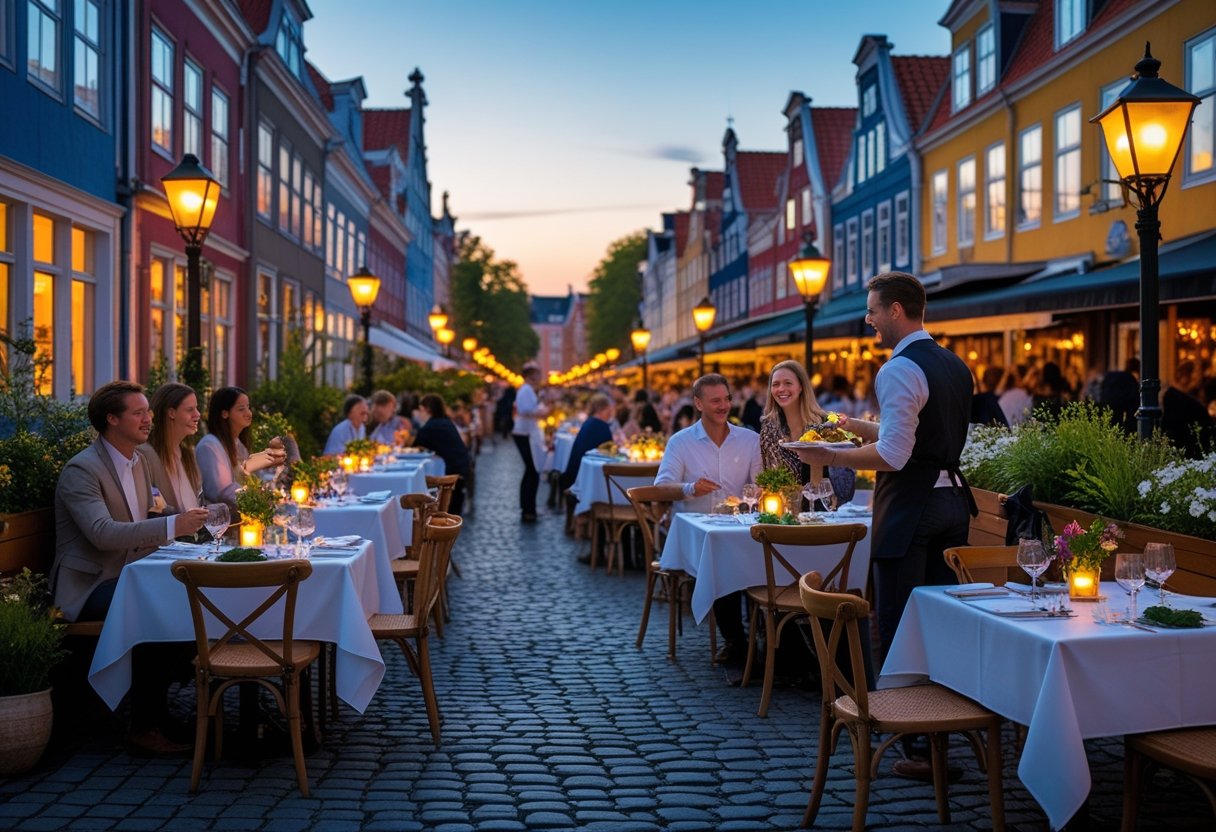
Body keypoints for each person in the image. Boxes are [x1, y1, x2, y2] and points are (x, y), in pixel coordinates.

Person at [792, 272, 975, 666]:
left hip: (911, 507)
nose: (867, 319)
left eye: (873, 311)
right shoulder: (955, 365)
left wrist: (830, 456)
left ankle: (900, 714)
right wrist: (856, 428)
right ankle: (938, 708)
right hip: (953, 503)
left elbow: (894, 455)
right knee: (941, 617)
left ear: (896, 310)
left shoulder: (897, 369)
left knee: (897, 619)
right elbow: (921, 437)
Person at [50, 381, 210, 756]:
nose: (148, 419)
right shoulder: (82, 470)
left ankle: (159, 712)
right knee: (158, 607)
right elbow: (103, 534)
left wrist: (191, 527)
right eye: (138, 413)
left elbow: (151, 516)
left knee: (192, 597)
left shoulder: (138, 463)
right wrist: (174, 525)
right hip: (90, 585)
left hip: (132, 577)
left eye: (148, 412)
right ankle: (143, 725)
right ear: (111, 419)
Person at [655, 373, 762, 663]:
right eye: (716, 400)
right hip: (695, 536)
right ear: (698, 404)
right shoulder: (680, 442)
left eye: (727, 399)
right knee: (721, 557)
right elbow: (660, 487)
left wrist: (760, 497)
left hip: (739, 528)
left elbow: (761, 486)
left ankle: (766, 639)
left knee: (768, 554)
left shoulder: (749, 439)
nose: (723, 405)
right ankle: (737, 642)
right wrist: (691, 488)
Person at [759, 360, 856, 506]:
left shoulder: (826, 424)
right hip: (786, 515)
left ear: (801, 387)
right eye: (776, 384)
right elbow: (770, 480)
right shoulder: (769, 427)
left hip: (826, 516)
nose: (781, 389)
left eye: (788, 383)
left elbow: (845, 490)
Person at [197, 387, 286, 513]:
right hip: (219, 523)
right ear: (224, 413)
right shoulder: (209, 446)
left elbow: (250, 478)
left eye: (248, 407)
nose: (248, 413)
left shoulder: (237, 444)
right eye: (241, 409)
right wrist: (256, 500)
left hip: (240, 517)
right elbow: (220, 492)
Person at [140, 382, 204, 514]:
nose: (197, 415)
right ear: (171, 413)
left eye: (196, 408)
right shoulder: (146, 456)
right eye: (190, 409)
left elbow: (199, 502)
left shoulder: (188, 455)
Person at [413, 393, 471, 516]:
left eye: (421, 409)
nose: (419, 413)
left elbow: (414, 447)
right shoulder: (445, 421)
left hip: (452, 473)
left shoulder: (430, 427)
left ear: (427, 409)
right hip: (461, 468)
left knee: (449, 511)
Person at [512, 365, 547, 522]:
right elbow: (525, 409)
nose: (540, 377)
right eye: (539, 374)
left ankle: (529, 507)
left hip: (526, 432)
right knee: (532, 470)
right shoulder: (526, 390)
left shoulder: (527, 390)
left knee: (531, 471)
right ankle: (528, 509)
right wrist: (539, 411)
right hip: (524, 433)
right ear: (532, 375)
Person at [560, 394, 615, 493]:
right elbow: (611, 452)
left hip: (574, 474)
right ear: (602, 409)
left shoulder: (589, 422)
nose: (611, 413)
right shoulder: (601, 426)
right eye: (609, 409)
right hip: (584, 479)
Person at [1163, 360, 1214, 458]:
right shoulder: (1175, 397)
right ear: (1187, 375)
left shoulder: (1185, 395)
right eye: (1195, 373)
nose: (1197, 377)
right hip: (1188, 448)